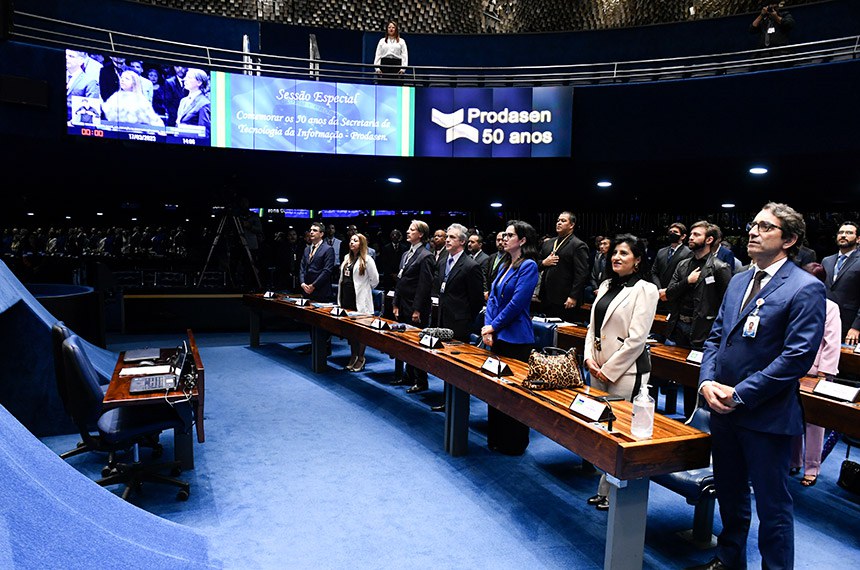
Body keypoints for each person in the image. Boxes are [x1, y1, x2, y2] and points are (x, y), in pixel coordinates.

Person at [690, 202, 825, 570]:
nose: (753, 231)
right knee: (730, 497)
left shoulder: (805, 287)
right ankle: (729, 559)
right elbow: (715, 339)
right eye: (754, 224)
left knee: (773, 506)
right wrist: (707, 384)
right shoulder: (737, 280)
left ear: (790, 239)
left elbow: (796, 358)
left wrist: (740, 394)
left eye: (766, 227)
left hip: (766, 416)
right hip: (723, 410)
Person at [583, 233, 658, 511]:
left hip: (625, 372)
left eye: (624, 253)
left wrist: (609, 369)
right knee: (601, 429)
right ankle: (603, 489)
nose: (616, 257)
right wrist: (589, 359)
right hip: (597, 366)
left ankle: (615, 494)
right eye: (615, 252)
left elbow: (637, 339)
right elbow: (593, 328)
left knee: (621, 434)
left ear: (637, 260)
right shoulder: (605, 284)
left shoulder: (645, 289)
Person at [481, 220, 540, 456]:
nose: (504, 238)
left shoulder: (529, 266)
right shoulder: (505, 263)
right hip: (496, 335)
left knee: (513, 393)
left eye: (509, 235)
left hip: (516, 338)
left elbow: (517, 303)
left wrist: (492, 326)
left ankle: (514, 442)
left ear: (522, 240)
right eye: (503, 235)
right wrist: (488, 326)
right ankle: (496, 436)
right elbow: (493, 299)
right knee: (495, 389)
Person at [790, 262, 841, 488]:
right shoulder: (793, 300)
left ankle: (812, 467)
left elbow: (832, 343)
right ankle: (793, 460)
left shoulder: (830, 307)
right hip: (792, 368)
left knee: (814, 422)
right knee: (790, 415)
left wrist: (824, 373)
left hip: (817, 371)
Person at [430, 223, 485, 412]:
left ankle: (460, 405)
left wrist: (465, 319)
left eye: (452, 237)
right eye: (447, 236)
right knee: (447, 364)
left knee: (458, 367)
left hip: (460, 323)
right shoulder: (445, 260)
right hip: (443, 319)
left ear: (462, 241)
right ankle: (448, 400)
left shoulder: (471, 266)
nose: (447, 240)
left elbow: (477, 300)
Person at [392, 220, 434, 393]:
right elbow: (400, 282)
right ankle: (408, 376)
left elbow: (424, 286)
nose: (407, 232)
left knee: (416, 346)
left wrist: (417, 309)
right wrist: (395, 303)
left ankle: (421, 381)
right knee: (405, 344)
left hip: (415, 307)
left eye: (412, 230)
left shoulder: (426, 255)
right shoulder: (405, 254)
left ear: (421, 234)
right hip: (403, 305)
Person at [337, 232, 379, 372]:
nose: (352, 242)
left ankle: (361, 358)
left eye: (355, 240)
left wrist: (364, 289)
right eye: (350, 240)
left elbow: (375, 280)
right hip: (346, 299)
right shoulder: (346, 258)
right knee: (351, 332)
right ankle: (353, 356)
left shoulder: (367, 259)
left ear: (361, 244)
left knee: (360, 332)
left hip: (360, 301)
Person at [537, 211, 589, 320]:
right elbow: (535, 263)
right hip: (546, 295)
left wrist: (573, 296)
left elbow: (581, 274)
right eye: (558, 220)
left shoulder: (578, 245)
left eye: (563, 221)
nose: (559, 223)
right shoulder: (548, 243)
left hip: (565, 298)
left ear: (571, 225)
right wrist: (544, 263)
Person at [822, 221, 860, 345]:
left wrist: (856, 326)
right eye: (841, 232)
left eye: (849, 233)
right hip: (823, 321)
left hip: (848, 324)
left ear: (858, 239)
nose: (843, 235)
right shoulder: (827, 261)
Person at [651, 222, 692, 313]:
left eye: (675, 232)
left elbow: (684, 276)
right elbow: (654, 272)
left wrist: (668, 291)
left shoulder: (688, 252)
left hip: (675, 295)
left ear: (683, 236)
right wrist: (659, 289)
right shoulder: (661, 251)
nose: (672, 234)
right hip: (659, 293)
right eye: (670, 232)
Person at [299, 222, 335, 302]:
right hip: (306, 290)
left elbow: (327, 271)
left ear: (321, 234)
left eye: (315, 230)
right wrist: (302, 283)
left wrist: (313, 285)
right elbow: (302, 268)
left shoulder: (328, 249)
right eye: (310, 230)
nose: (311, 232)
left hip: (321, 291)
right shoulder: (307, 249)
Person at [66, 50, 100, 121]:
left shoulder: (90, 81)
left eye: (71, 56)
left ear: (81, 61)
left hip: (73, 126)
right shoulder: (56, 76)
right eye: (66, 55)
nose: (66, 58)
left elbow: (90, 109)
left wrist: (72, 123)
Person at [176, 68, 211, 135]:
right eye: (186, 77)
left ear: (199, 82)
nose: (185, 79)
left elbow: (204, 132)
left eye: (189, 77)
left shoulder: (204, 103)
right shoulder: (183, 101)